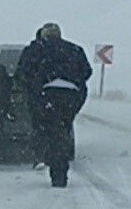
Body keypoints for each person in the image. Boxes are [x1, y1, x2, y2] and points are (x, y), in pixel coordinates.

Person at [15, 21, 92, 187]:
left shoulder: (34, 50)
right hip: (70, 97)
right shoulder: (74, 49)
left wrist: (34, 87)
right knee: (62, 130)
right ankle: (59, 168)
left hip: (45, 96)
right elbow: (87, 71)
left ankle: (47, 159)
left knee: (46, 130)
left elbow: (22, 72)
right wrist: (74, 82)